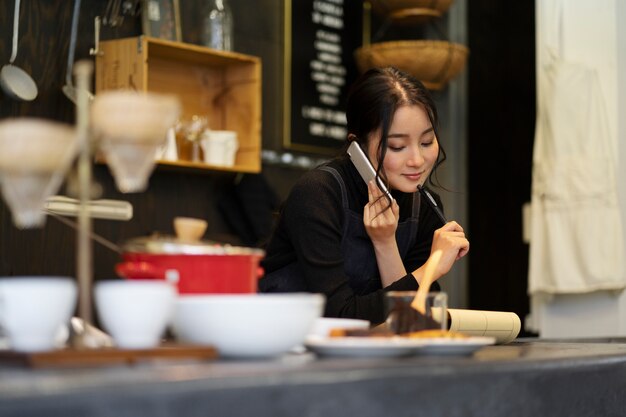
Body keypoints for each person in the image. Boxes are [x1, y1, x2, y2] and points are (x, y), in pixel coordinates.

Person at [259, 67, 469, 325]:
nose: (417, 160)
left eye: (426, 142)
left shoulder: (425, 205)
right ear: (356, 145)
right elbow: (339, 316)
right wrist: (430, 269)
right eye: (397, 146)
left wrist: (385, 244)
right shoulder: (317, 194)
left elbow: (411, 323)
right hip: (280, 345)